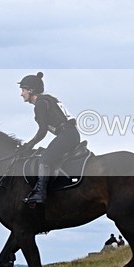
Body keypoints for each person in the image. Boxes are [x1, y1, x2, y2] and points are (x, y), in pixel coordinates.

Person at [18, 72, 80, 206]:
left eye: (23, 90)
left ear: (31, 90)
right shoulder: (48, 100)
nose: (21, 94)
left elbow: (42, 131)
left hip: (66, 135)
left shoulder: (41, 103)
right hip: (70, 134)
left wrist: (30, 144)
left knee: (45, 158)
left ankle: (40, 193)